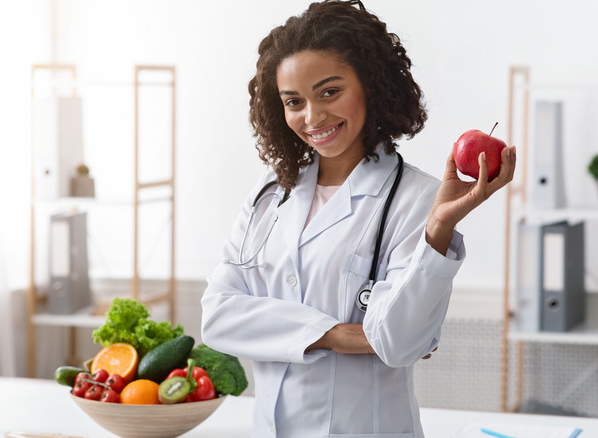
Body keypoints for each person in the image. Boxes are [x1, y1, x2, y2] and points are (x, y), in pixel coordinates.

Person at [200, 1, 516, 436]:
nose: (313, 118)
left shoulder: (417, 199)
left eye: (330, 92)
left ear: (370, 85)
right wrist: (339, 334)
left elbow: (397, 343)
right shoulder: (270, 193)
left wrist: (439, 229)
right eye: (294, 101)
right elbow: (217, 317)